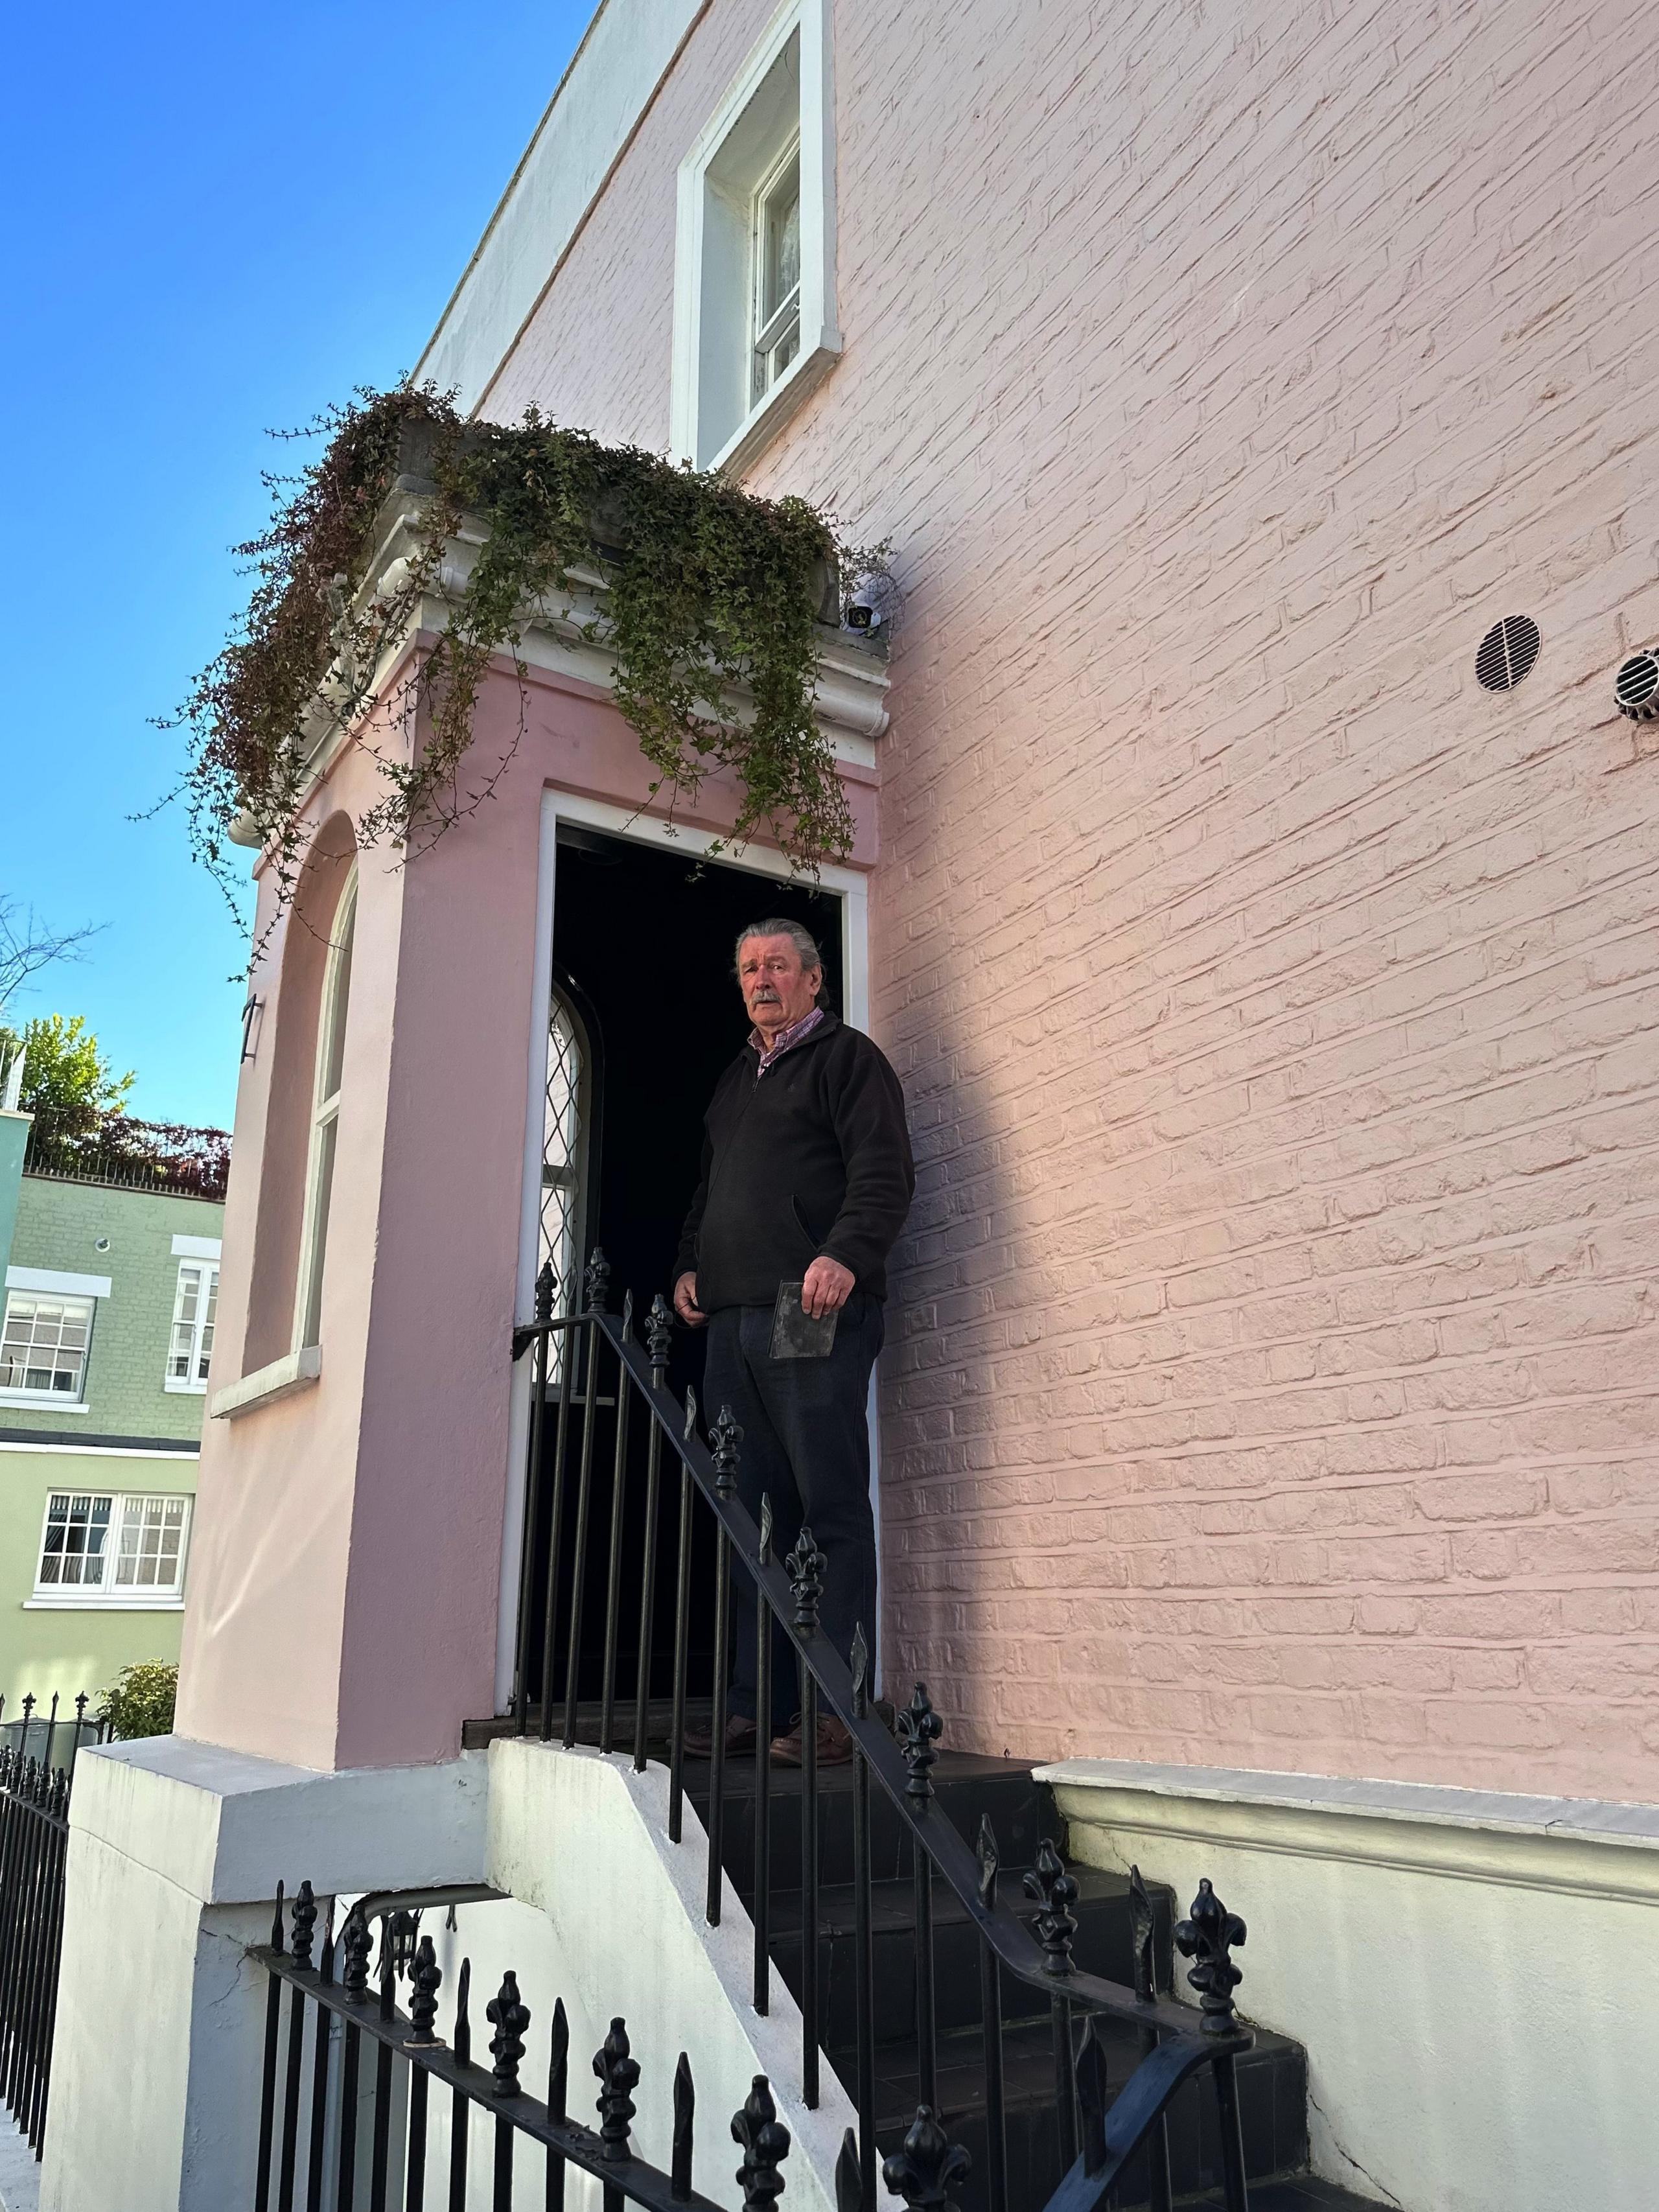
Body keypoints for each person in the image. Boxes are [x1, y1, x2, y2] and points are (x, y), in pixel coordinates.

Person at [674, 918, 914, 1766]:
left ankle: (837, 1712)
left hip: (805, 1303)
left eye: (778, 964)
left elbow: (884, 1172)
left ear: (815, 979)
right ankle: (756, 1706)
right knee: (753, 1518)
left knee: (828, 1507)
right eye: (748, 967)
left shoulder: (849, 1061)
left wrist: (846, 1254)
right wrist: (686, 1267)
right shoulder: (738, 1080)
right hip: (733, 1315)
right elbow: (709, 1192)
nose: (761, 978)